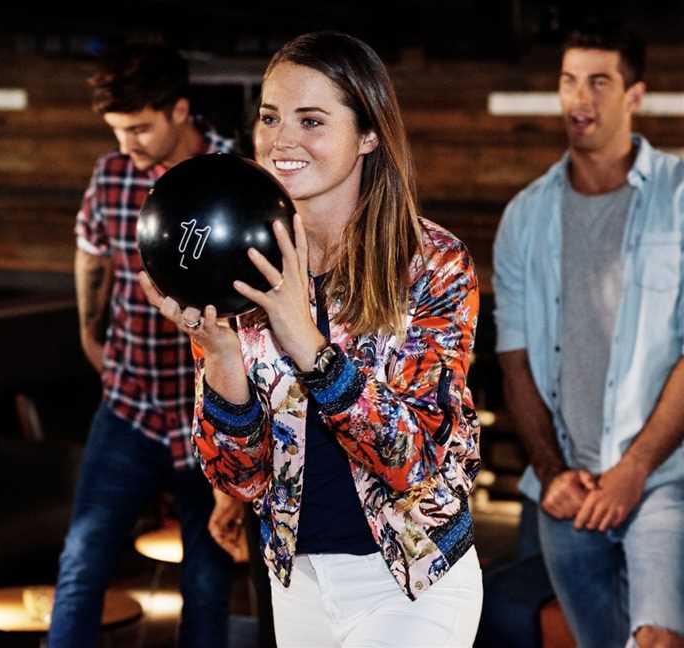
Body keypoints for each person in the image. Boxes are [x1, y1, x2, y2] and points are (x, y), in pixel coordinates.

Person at [142, 31, 483, 647]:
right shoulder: (239, 266)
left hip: (412, 581)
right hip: (296, 582)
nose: (282, 140)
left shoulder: (432, 263)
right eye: (271, 117)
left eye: (312, 120)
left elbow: (416, 465)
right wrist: (221, 359)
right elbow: (237, 477)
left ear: (368, 135)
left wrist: (310, 347)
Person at [493, 25, 684, 648]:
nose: (581, 97)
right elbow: (515, 359)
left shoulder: (679, 199)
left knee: (657, 637)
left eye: (599, 81)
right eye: (569, 80)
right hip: (568, 490)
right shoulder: (526, 215)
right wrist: (550, 472)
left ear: (635, 95)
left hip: (663, 477)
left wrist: (633, 469)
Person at [47, 43, 242, 648]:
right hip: (128, 406)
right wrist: (87, 329)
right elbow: (90, 248)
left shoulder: (232, 175)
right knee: (81, 563)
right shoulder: (111, 173)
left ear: (180, 110)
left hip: (206, 414)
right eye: (117, 130)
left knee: (208, 582)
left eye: (139, 128)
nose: (127, 143)